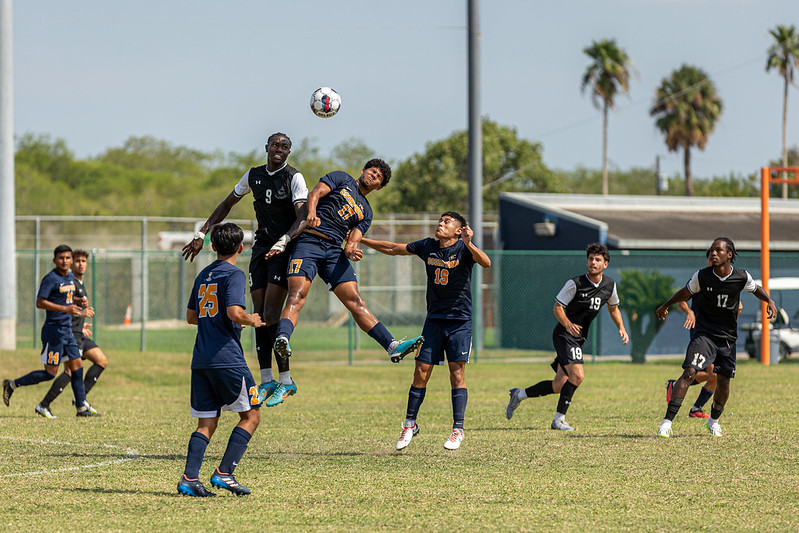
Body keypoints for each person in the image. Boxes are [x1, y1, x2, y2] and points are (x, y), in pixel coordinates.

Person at [182, 132, 308, 408]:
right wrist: (202, 234)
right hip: (261, 246)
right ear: (266, 147)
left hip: (283, 248)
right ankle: (266, 380)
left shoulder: (294, 178)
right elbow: (227, 204)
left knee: (272, 313)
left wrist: (285, 239)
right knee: (258, 314)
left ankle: (285, 380)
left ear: (289, 152)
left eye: (285, 146)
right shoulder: (253, 175)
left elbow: (303, 217)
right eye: (275, 144)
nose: (279, 149)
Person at [361, 211, 491, 451]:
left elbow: (486, 262)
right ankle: (410, 424)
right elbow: (392, 248)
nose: (441, 224)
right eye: (440, 220)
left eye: (447, 222)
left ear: (459, 230)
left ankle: (458, 429)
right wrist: (360, 240)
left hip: (459, 321)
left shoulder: (464, 249)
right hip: (433, 320)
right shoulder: (428, 246)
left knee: (457, 374)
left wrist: (469, 243)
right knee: (420, 371)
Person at [273, 159, 424, 365]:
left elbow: (352, 242)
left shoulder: (367, 212)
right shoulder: (341, 178)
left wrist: (352, 252)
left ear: (378, 187)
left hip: (335, 252)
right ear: (363, 170)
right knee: (297, 295)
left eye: (379, 177)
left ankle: (392, 346)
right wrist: (311, 213)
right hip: (309, 241)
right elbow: (315, 193)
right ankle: (282, 338)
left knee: (356, 302)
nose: (374, 175)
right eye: (372, 171)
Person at [177, 223, 266, 498]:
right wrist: (251, 319)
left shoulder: (203, 274)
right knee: (251, 416)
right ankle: (224, 473)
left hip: (201, 359)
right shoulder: (235, 274)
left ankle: (189, 479)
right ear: (241, 248)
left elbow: (192, 317)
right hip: (227, 359)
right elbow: (233, 312)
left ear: (212, 247)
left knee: (206, 423)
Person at [655, 237, 776, 438]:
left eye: (718, 250)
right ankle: (666, 423)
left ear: (729, 255)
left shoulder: (741, 276)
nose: (713, 253)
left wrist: (769, 301)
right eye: (711, 250)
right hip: (704, 334)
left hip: (727, 338)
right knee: (690, 372)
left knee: (724, 382)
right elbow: (684, 293)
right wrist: (665, 305)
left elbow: (756, 289)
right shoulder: (702, 276)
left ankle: (713, 421)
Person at [505, 243, 629, 430]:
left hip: (579, 338)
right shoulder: (575, 283)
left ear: (606, 264)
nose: (593, 263)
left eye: (597, 260)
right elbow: (557, 307)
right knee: (577, 376)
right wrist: (568, 324)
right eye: (590, 259)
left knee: (558, 385)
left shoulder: (610, 286)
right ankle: (559, 420)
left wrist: (621, 327)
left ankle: (519, 395)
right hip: (564, 335)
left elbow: (614, 308)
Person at [3, 245, 100, 417]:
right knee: (50, 373)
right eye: (61, 258)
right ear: (54, 260)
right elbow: (40, 302)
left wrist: (78, 301)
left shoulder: (70, 277)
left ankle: (81, 408)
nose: (65, 261)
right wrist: (65, 309)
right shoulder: (51, 279)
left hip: (67, 331)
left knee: (77, 368)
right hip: (53, 332)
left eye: (67, 258)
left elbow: (66, 297)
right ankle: (12, 385)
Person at [668, 253, 743, 419]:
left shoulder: (728, 281)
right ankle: (676, 388)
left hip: (721, 334)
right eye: (710, 258)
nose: (713, 260)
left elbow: (736, 308)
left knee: (717, 375)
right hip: (702, 331)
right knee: (710, 373)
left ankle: (696, 407)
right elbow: (682, 301)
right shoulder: (701, 277)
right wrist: (690, 312)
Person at [35, 249, 108, 419]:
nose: (80, 264)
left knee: (101, 361)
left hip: (79, 331)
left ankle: (79, 399)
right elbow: (64, 308)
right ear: (70, 264)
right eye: (77, 261)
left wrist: (82, 324)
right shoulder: (69, 283)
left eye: (83, 261)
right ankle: (45, 404)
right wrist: (77, 321)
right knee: (70, 371)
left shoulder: (79, 284)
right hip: (69, 333)